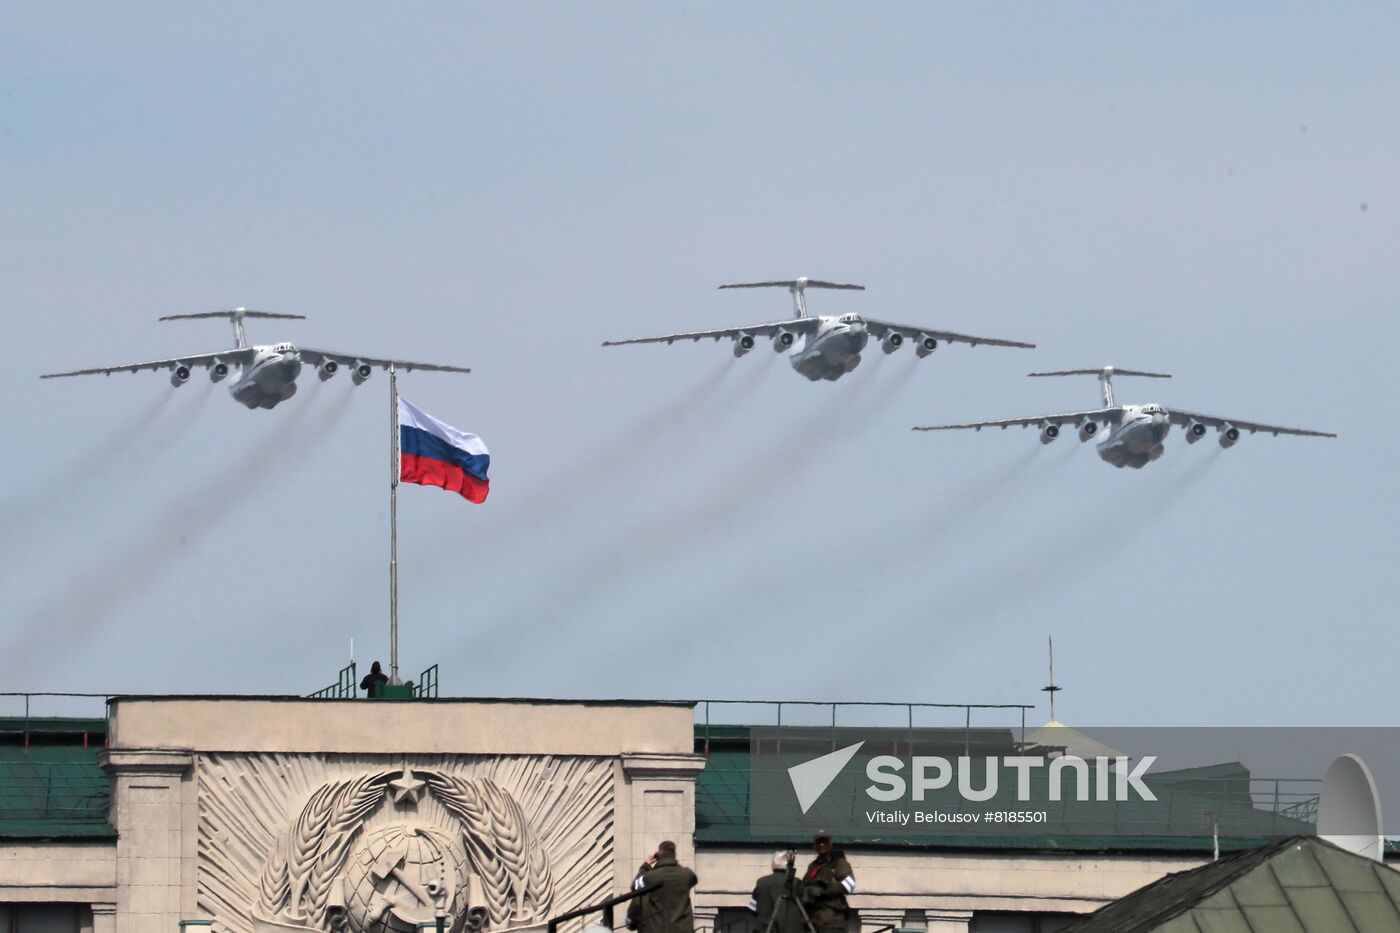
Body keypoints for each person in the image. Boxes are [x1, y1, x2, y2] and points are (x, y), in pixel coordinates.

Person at [627, 840, 697, 933]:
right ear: (674, 854)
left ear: (658, 855)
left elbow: (635, 886)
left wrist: (646, 865)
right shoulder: (686, 875)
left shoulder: (650, 877)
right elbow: (694, 879)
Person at [802, 834, 855, 933]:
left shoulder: (839, 863)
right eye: (819, 842)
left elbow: (849, 885)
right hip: (813, 922)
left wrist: (825, 890)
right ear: (814, 846)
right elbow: (805, 885)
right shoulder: (812, 866)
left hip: (833, 922)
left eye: (824, 842)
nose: (822, 844)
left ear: (830, 844)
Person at [749, 850, 805, 933]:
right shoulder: (796, 883)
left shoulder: (761, 882)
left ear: (772, 866)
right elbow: (805, 908)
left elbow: (752, 909)